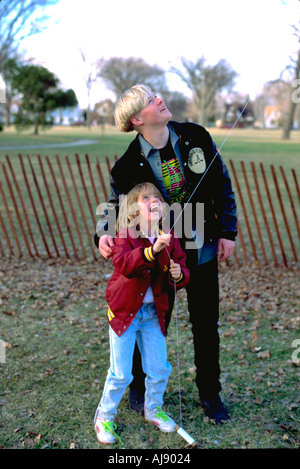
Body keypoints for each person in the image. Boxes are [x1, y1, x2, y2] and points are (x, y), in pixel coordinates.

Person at [94, 84, 237, 424]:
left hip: (200, 250)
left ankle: (209, 393)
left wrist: (228, 232)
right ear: (138, 119)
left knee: (205, 324)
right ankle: (140, 387)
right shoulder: (126, 166)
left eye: (155, 94)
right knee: (154, 324)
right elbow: (115, 206)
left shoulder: (196, 137)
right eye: (150, 100)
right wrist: (102, 233)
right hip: (158, 257)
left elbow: (222, 185)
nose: (159, 99)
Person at [94, 182, 190, 444]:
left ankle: (153, 408)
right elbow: (124, 264)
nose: (153, 201)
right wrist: (152, 251)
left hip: (153, 315)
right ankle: (104, 416)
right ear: (134, 209)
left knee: (159, 368)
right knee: (121, 373)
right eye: (145, 198)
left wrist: (179, 274)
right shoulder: (126, 236)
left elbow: (181, 269)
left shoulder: (169, 237)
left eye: (156, 197)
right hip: (125, 313)